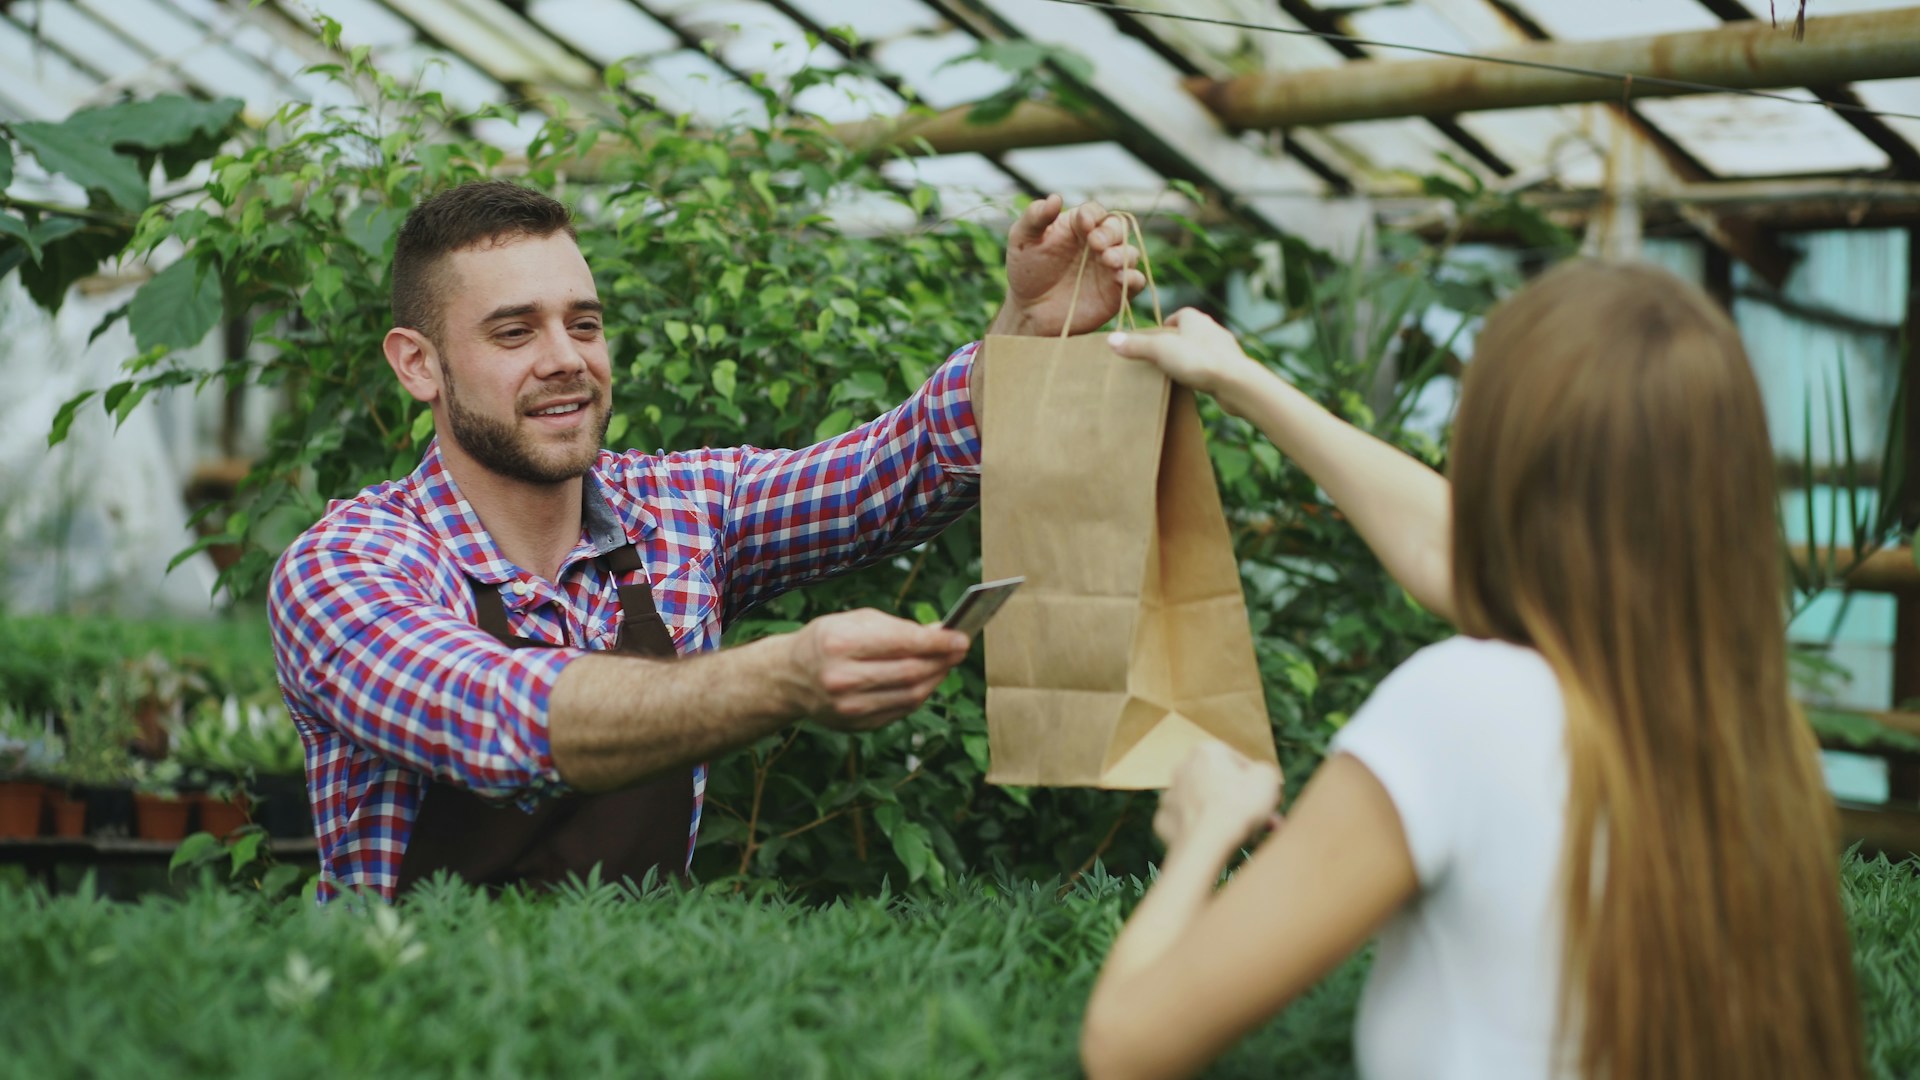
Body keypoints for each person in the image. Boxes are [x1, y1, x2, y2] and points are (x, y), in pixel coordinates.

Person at [1082, 261, 1863, 1079]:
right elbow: (1443, 546)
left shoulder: (1469, 704)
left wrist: (1205, 830)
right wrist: (1238, 380)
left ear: (1503, 452)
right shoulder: (1761, 735)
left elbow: (1127, 1045)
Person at [267, 180, 1144, 903]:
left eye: (583, 322)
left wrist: (1027, 331)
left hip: (653, 1019)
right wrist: (785, 677)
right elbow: (494, 719)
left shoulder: (682, 512)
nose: (566, 357)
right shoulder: (347, 564)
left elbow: (890, 471)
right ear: (418, 364)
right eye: (513, 331)